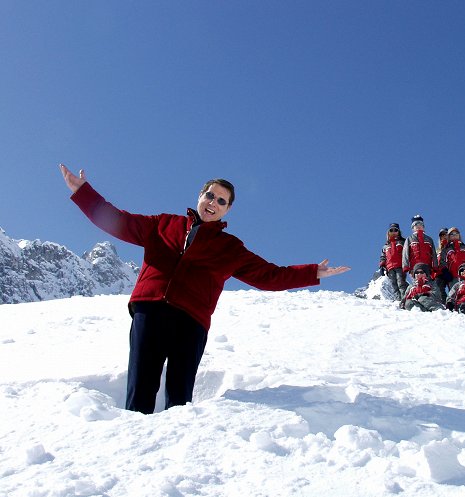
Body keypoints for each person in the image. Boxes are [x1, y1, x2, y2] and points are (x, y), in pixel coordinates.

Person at [60, 164, 350, 414]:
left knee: (179, 395)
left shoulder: (230, 248)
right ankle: (131, 443)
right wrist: (83, 193)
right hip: (150, 312)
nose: (213, 202)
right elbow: (118, 221)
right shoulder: (163, 225)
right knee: (141, 386)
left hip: (191, 323)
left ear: (228, 209)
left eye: (221, 201)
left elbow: (269, 276)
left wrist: (313, 272)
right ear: (200, 197)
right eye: (209, 195)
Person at [378, 223, 408, 300]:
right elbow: (383, 257)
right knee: (394, 284)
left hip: (400, 266)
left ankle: (404, 299)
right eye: (391, 230)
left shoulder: (403, 242)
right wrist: (381, 266)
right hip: (390, 267)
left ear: (399, 232)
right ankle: (398, 300)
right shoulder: (386, 245)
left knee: (401, 283)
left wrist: (408, 264)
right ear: (388, 232)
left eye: (396, 230)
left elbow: (407, 253)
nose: (394, 232)